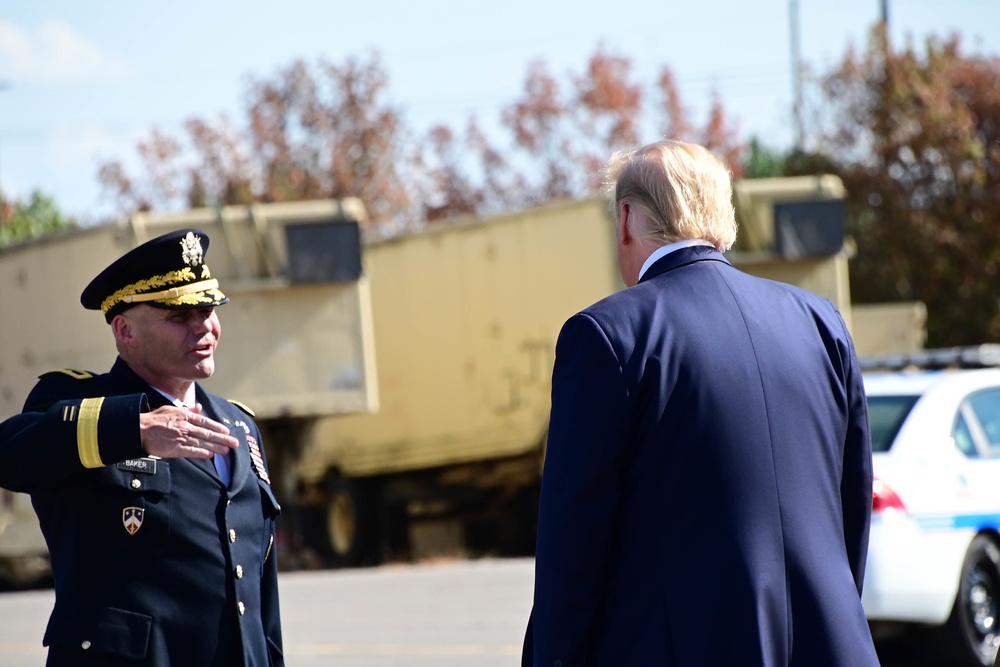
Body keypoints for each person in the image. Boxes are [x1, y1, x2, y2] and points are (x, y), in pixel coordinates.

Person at [521, 140, 879, 666]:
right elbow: (850, 512)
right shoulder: (821, 323)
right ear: (722, 216)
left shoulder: (606, 337)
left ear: (624, 221)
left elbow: (572, 555)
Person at [0, 229, 284, 666]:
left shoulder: (239, 424)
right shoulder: (75, 401)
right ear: (125, 330)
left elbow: (260, 597)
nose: (203, 326)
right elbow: (10, 454)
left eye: (208, 308)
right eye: (179, 316)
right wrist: (135, 429)